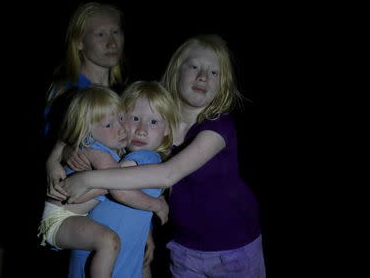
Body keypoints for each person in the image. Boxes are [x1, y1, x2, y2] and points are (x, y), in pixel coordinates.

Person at [60, 34, 267, 277]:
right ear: (176, 71)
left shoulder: (219, 127)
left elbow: (167, 175)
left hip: (234, 247)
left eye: (214, 72)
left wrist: (87, 179)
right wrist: (63, 151)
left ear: (224, 83)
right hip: (183, 248)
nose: (203, 76)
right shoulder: (153, 124)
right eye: (194, 66)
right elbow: (86, 126)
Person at [38, 85, 169, 278]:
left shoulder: (111, 149)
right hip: (57, 221)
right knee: (109, 241)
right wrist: (157, 205)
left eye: (122, 118)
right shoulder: (99, 153)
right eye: (109, 125)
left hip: (69, 218)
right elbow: (122, 191)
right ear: (87, 131)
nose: (121, 128)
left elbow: (64, 141)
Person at [43, 1, 127, 202]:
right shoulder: (65, 93)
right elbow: (46, 145)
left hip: (127, 201)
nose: (112, 42)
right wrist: (65, 151)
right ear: (79, 42)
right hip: (81, 207)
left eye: (115, 32)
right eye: (100, 34)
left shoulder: (127, 93)